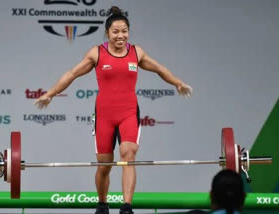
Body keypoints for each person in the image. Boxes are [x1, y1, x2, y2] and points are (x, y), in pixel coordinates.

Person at [34, 6, 192, 214]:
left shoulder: (137, 52)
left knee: (128, 155)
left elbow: (160, 69)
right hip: (104, 116)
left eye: (124, 31)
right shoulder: (96, 53)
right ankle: (102, 203)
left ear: (129, 31)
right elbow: (72, 73)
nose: (120, 35)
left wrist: (178, 83)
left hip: (128, 113)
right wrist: (50, 93)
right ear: (107, 33)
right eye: (115, 31)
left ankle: (126, 206)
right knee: (105, 165)